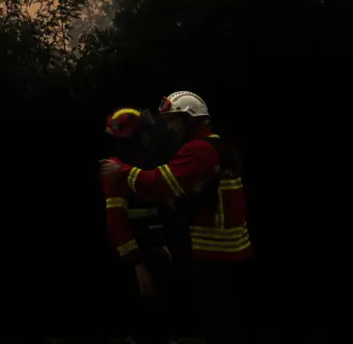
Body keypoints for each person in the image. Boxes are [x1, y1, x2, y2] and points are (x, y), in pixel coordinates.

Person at [101, 91, 257, 344]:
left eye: (173, 121)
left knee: (217, 327)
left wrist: (124, 172)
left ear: (189, 120)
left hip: (214, 257)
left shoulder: (198, 151)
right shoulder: (221, 147)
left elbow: (163, 183)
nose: (167, 130)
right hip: (220, 254)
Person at [102, 107, 188, 344]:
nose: (149, 138)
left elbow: (156, 205)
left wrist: (160, 243)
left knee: (158, 310)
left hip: (154, 246)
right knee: (143, 309)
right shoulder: (115, 170)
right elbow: (116, 221)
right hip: (135, 251)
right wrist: (137, 263)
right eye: (144, 133)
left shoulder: (137, 167)